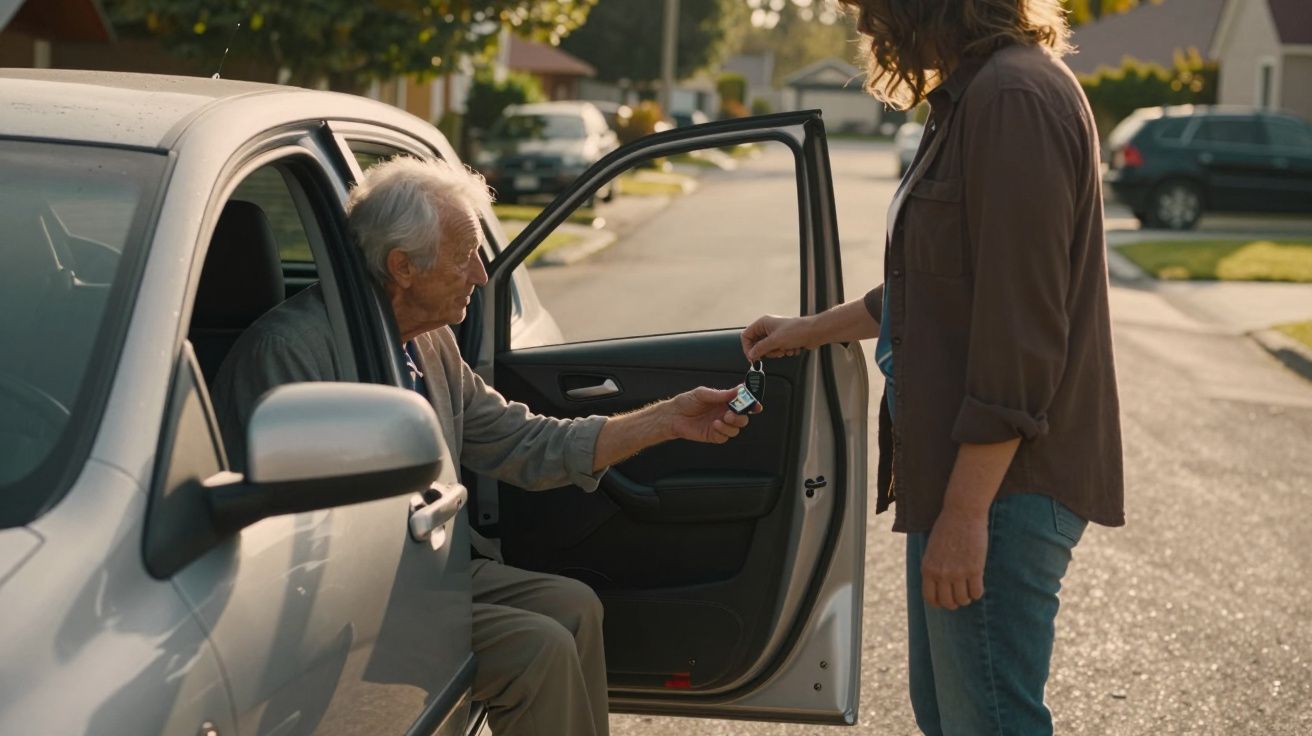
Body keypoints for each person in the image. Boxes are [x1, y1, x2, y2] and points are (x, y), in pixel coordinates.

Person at [212, 157, 757, 736]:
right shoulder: (289, 353)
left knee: (574, 607)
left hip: (423, 568)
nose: (479, 274)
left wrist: (668, 420)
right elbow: (286, 538)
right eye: (463, 255)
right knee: (536, 646)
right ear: (403, 267)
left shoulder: (430, 342)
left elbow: (524, 442)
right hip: (344, 600)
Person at [741, 1, 1124, 733]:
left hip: (1004, 489)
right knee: (949, 716)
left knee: (989, 721)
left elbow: (1020, 333)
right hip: (970, 481)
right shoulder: (975, 96)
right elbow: (931, 286)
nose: (865, 30)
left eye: (871, 9)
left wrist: (964, 514)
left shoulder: (1013, 101)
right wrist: (808, 330)